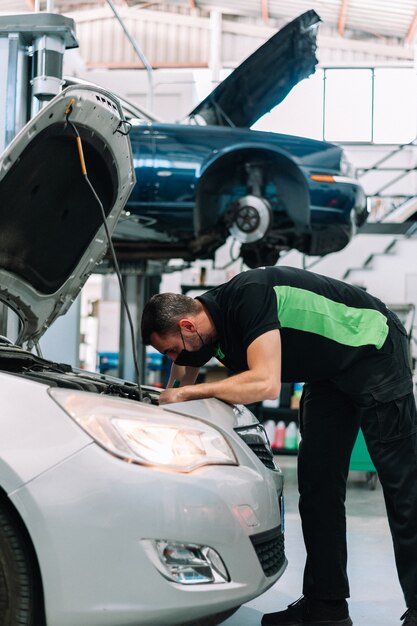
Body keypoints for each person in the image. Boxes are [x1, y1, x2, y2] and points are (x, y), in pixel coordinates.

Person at [140, 265, 417, 626]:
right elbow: (178, 382)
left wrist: (190, 393)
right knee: (318, 486)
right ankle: (326, 606)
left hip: (374, 348)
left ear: (188, 326)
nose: (174, 359)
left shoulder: (248, 296)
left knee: (403, 485)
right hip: (327, 372)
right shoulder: (202, 334)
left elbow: (265, 384)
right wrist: (165, 401)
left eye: (172, 350)